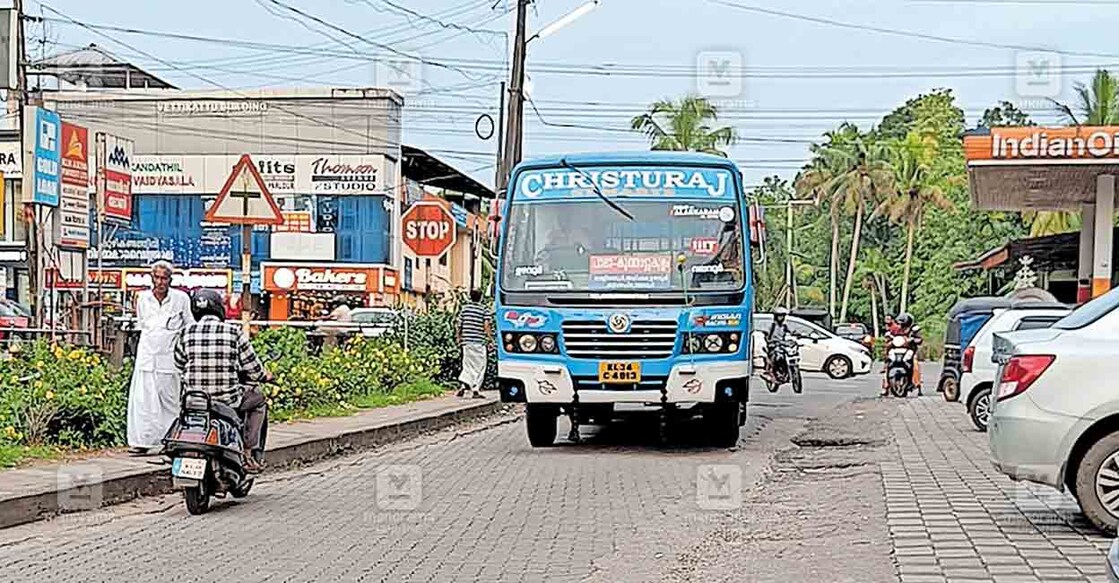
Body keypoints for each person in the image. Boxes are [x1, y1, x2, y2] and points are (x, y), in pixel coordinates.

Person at [173, 289, 273, 473]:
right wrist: (265, 376)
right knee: (259, 399)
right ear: (220, 309)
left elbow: (178, 362)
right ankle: (248, 453)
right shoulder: (233, 332)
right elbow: (254, 369)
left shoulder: (185, 332)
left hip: (194, 400)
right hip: (227, 400)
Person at [126, 261, 194, 455]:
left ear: (170, 280)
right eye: (157, 277)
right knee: (143, 402)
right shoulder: (143, 298)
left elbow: (189, 325)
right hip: (147, 358)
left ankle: (170, 441)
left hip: (170, 359)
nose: (160, 282)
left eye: (164, 278)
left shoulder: (181, 299)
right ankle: (141, 442)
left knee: (169, 402)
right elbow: (142, 326)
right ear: (151, 278)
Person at [456, 289, 492, 399]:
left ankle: (463, 385)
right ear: (481, 297)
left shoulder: (465, 309)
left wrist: (458, 338)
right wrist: (490, 339)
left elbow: (459, 324)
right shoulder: (484, 309)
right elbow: (486, 325)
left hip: (466, 341)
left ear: (470, 297)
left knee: (467, 365)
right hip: (479, 342)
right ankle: (475, 389)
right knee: (480, 366)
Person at [762, 307, 791, 382]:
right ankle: (769, 372)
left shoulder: (784, 326)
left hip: (781, 345)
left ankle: (784, 372)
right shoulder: (772, 326)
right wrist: (769, 341)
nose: (780, 318)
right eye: (779, 316)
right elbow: (767, 335)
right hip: (773, 346)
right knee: (774, 358)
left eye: (782, 316)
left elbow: (789, 333)